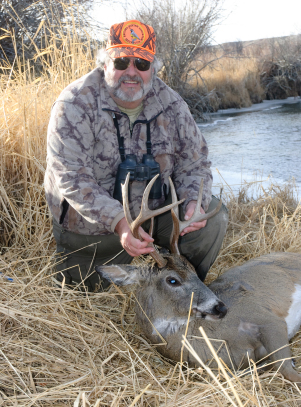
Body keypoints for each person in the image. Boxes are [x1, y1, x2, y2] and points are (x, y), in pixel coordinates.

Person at [45, 19, 228, 291]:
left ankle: (184, 291)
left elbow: (196, 164)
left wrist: (194, 203)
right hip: (95, 230)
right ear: (105, 64)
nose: (131, 72)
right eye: (121, 62)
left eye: (141, 64)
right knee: (87, 295)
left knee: (213, 214)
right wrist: (120, 223)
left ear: (153, 68)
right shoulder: (74, 104)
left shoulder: (172, 104)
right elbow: (70, 177)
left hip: (155, 221)